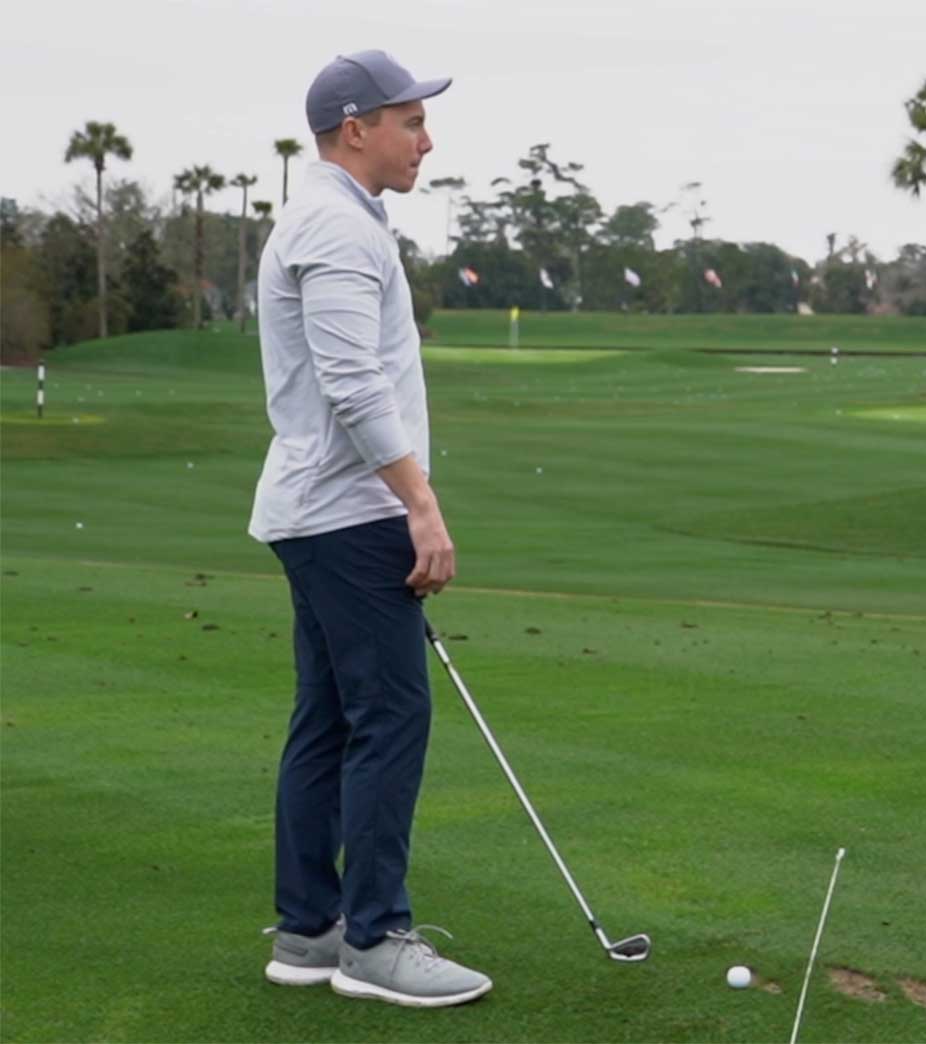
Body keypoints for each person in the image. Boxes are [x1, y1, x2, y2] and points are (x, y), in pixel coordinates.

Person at [250, 50, 491, 1007]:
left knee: (330, 717)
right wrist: (419, 504)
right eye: (409, 122)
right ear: (357, 128)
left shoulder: (335, 218)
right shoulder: (336, 229)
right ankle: (377, 939)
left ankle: (309, 930)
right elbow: (352, 383)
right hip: (350, 514)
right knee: (391, 715)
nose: (425, 139)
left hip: (320, 511)